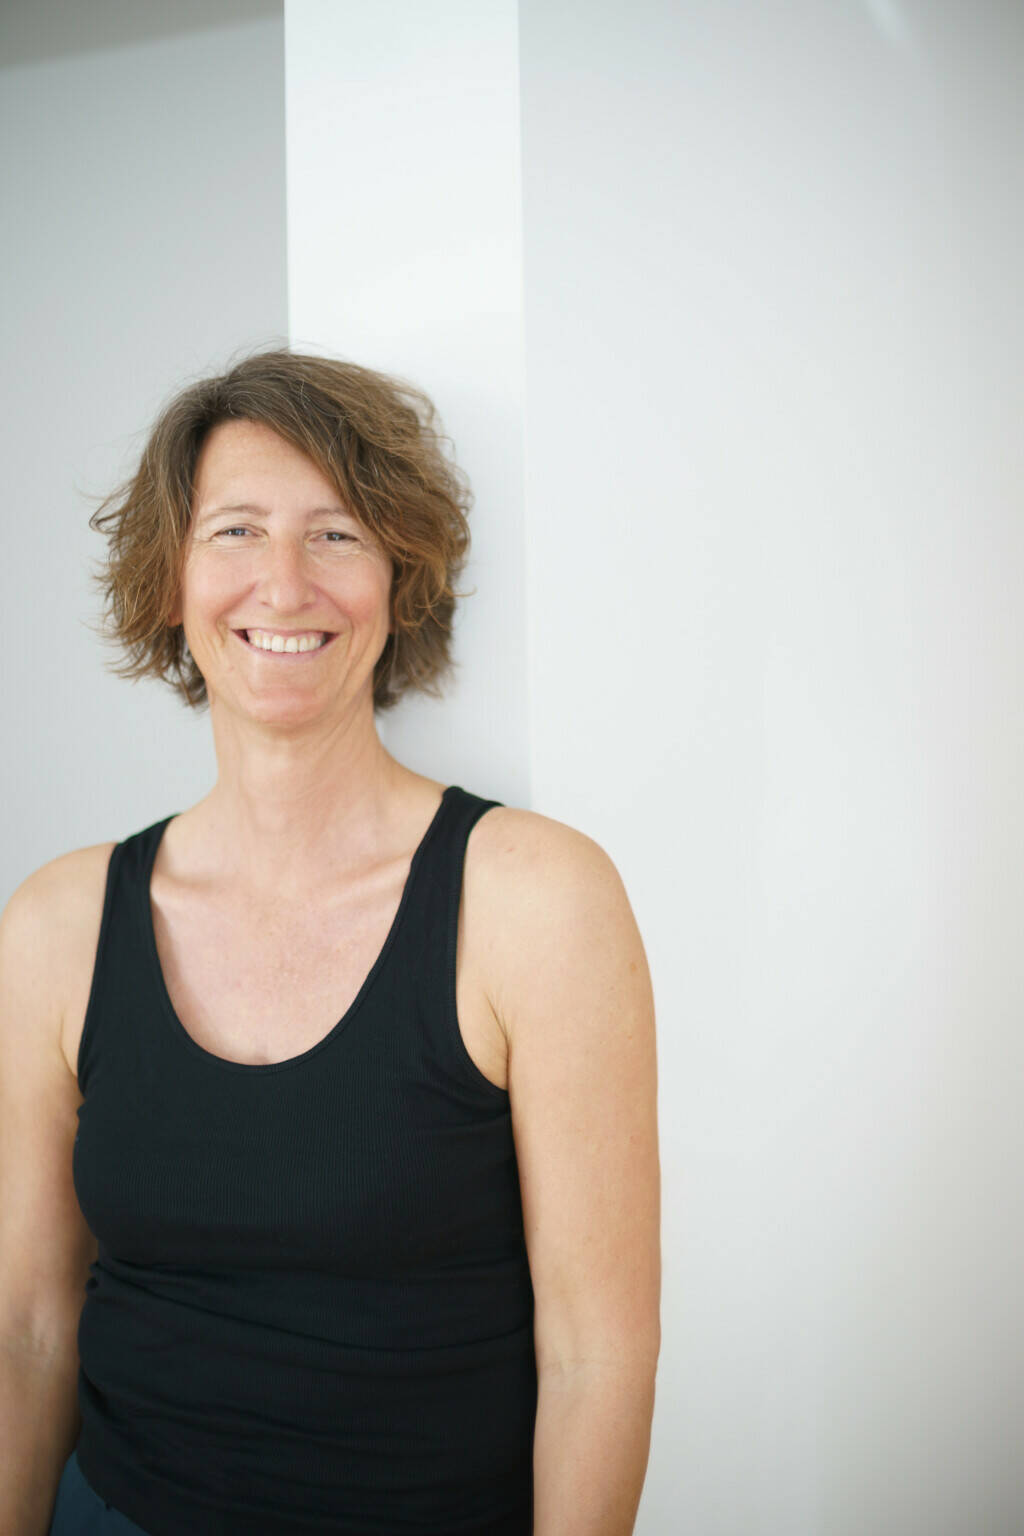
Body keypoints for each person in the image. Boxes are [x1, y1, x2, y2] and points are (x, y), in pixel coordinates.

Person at [0, 348, 661, 1536]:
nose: (284, 582)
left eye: (337, 534)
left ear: (400, 581)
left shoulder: (537, 900)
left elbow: (594, 1358)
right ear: (169, 582)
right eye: (236, 531)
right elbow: (29, 1331)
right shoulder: (56, 923)